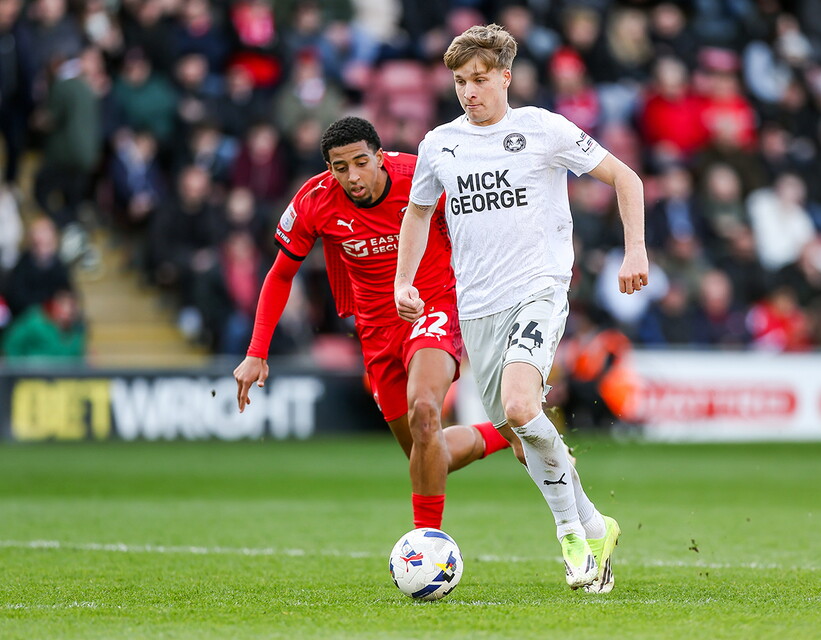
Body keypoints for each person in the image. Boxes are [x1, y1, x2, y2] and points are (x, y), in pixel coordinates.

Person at [395, 24, 649, 593]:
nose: (469, 92)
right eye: (460, 82)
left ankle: (572, 540)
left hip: (539, 289)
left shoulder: (543, 129)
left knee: (518, 402)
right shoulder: (440, 143)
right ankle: (593, 523)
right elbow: (416, 213)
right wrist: (403, 281)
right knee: (518, 430)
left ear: (505, 77)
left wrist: (635, 249)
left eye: (480, 80)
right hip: (476, 308)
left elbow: (625, 178)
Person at [233, 116, 511, 531]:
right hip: (377, 332)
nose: (352, 176)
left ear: (380, 157)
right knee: (428, 453)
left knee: (424, 409)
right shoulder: (315, 200)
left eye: (361, 162)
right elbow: (280, 275)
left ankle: (426, 543)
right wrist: (256, 352)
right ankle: (511, 432)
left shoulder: (422, 177)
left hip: (431, 307)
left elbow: (484, 232)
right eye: (340, 168)